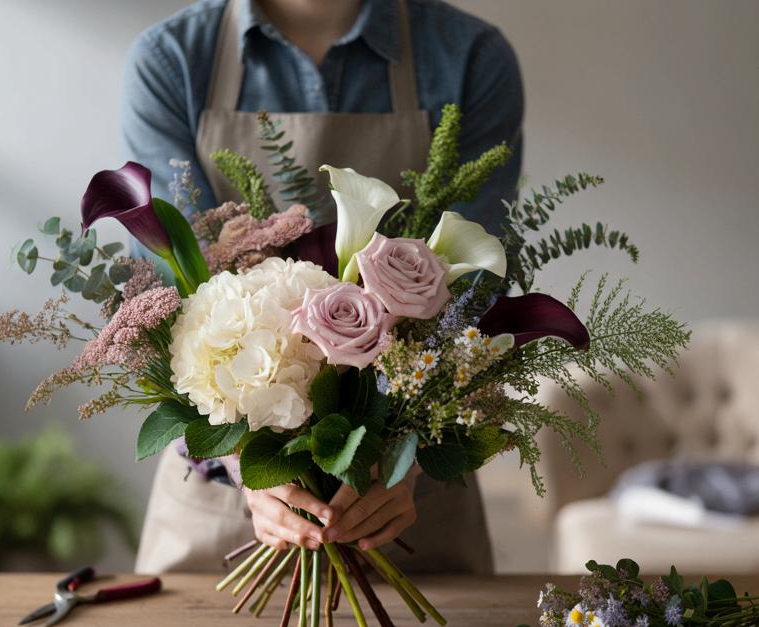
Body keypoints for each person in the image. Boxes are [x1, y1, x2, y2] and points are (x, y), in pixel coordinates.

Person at [125, 0, 523, 576]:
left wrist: (400, 460)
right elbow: (181, 300)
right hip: (221, 518)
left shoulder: (469, 59)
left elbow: (473, 293)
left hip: (406, 512)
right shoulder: (173, 61)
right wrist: (251, 467)